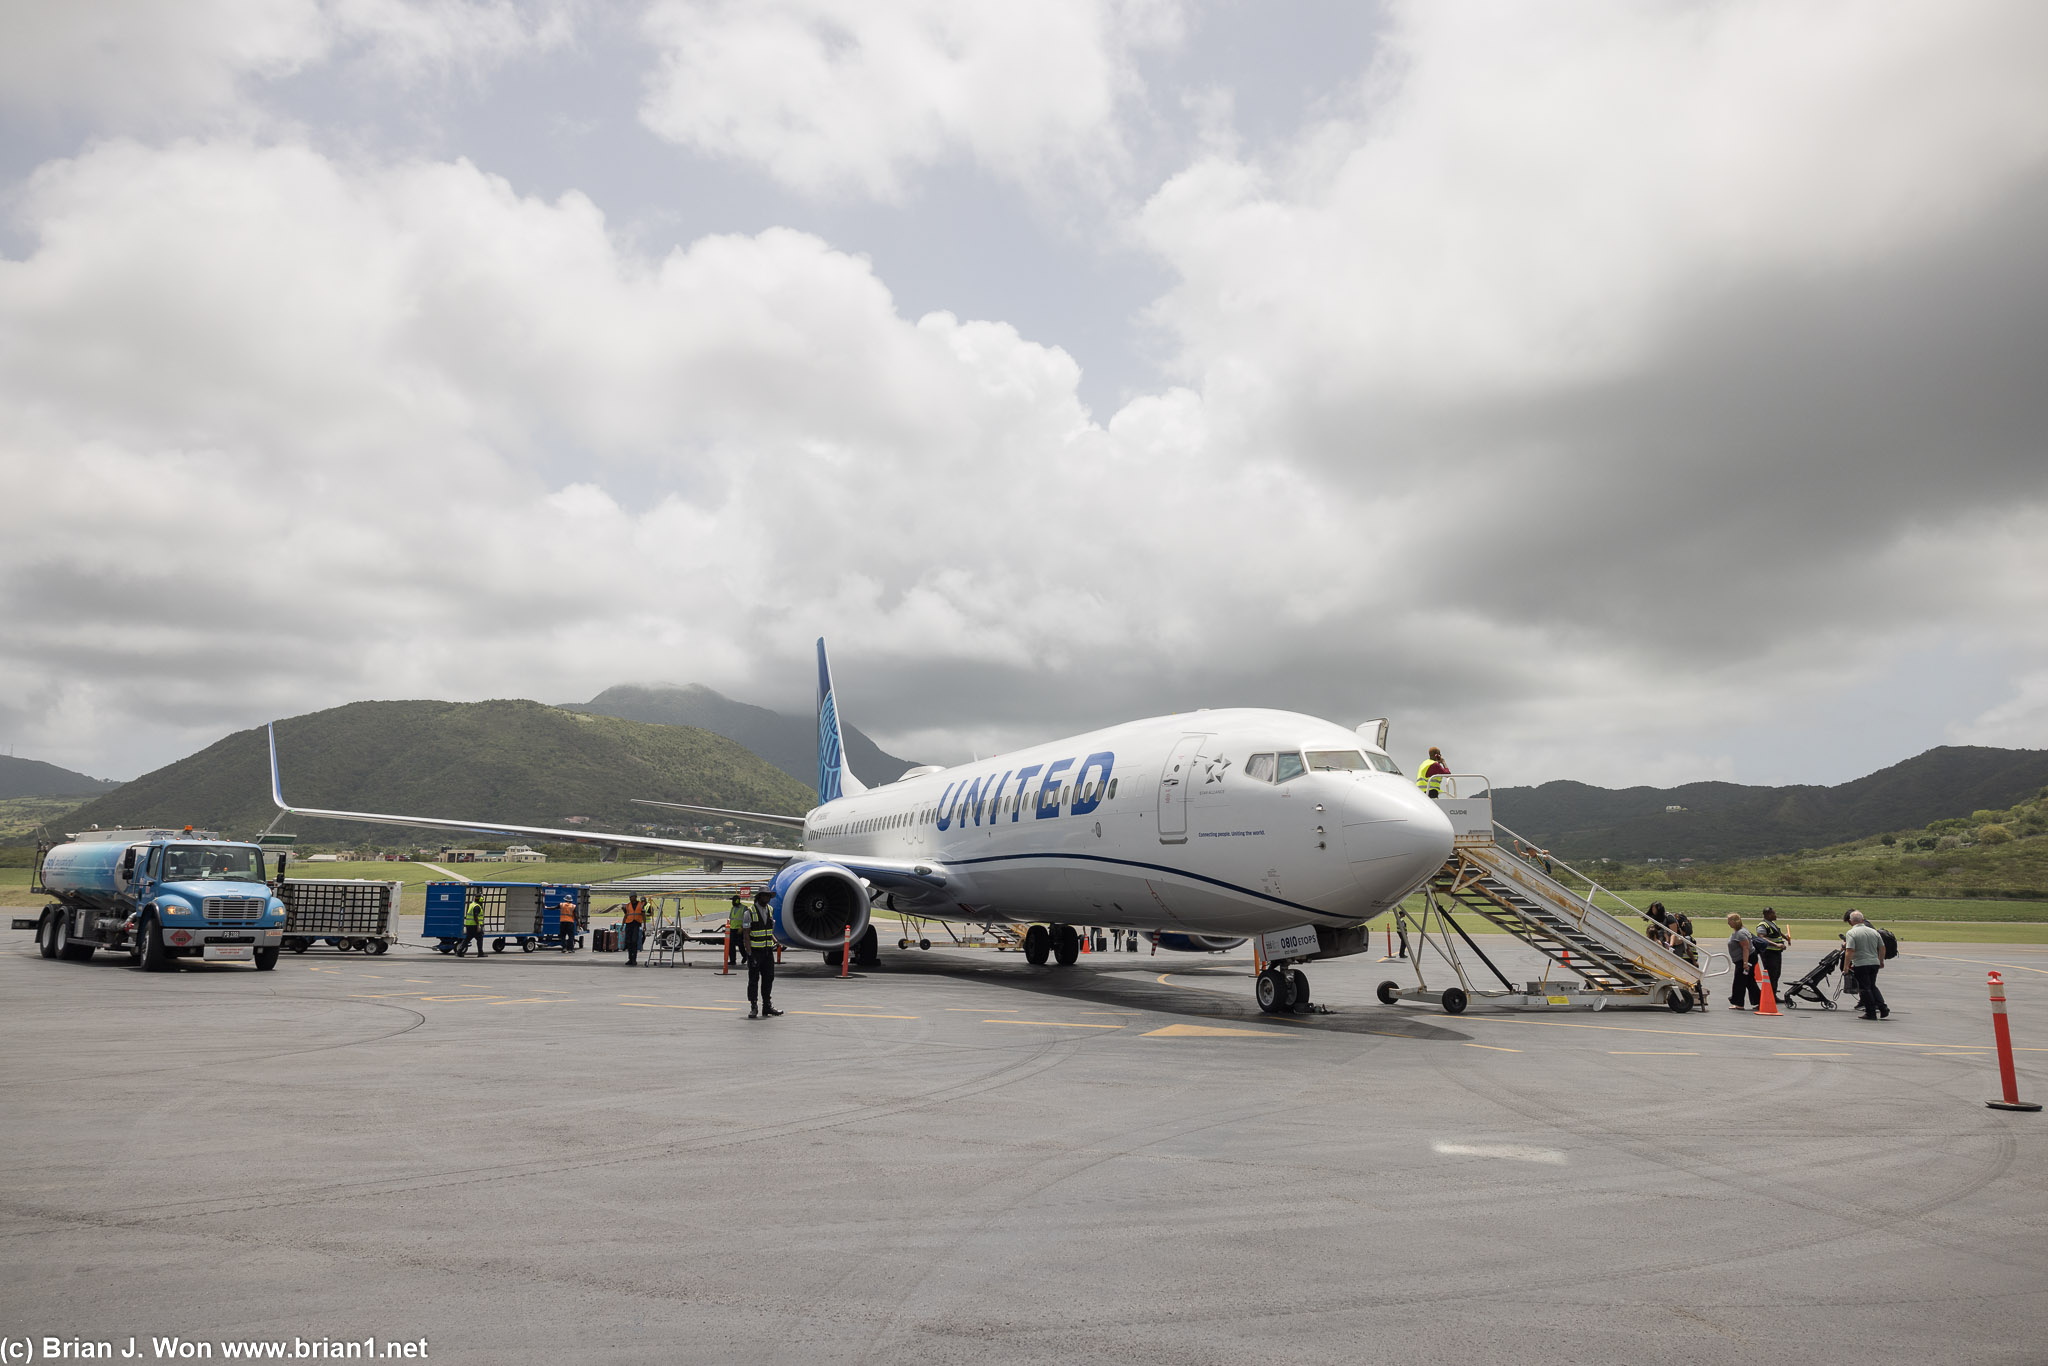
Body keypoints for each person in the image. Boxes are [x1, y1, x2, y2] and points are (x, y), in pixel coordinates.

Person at [1843, 910, 1889, 1020]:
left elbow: (1850, 951)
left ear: (1850, 921)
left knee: (1864, 988)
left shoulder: (1851, 933)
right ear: (1862, 920)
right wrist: (1881, 960)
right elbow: (1882, 947)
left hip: (1861, 963)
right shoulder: (1874, 932)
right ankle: (1883, 1008)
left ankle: (1871, 1012)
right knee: (1872, 986)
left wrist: (1846, 966)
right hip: (1874, 963)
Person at [745, 890, 782, 1019]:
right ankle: (754, 1006)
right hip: (755, 952)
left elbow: (767, 929)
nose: (767, 898)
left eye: (768, 896)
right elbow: (746, 934)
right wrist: (749, 953)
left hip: (767, 952)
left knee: (769, 978)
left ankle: (766, 1005)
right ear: (759, 896)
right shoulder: (749, 912)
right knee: (754, 980)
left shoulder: (770, 910)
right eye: (764, 895)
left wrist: (775, 941)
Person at [1753, 907, 1790, 995]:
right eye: (1773, 913)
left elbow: (1777, 932)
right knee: (1771, 974)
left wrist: (1786, 938)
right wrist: (1776, 945)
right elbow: (1761, 937)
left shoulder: (1772, 924)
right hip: (1769, 953)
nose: (1775, 915)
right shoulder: (1762, 925)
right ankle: (1767, 995)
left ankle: (1773, 995)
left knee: (1776, 974)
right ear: (1768, 915)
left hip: (1776, 952)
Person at [1725, 913, 1758, 1010]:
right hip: (1744, 959)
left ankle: (1738, 1003)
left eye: (1729, 921)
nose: (1728, 923)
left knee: (1739, 981)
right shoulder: (1741, 931)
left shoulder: (1740, 933)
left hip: (1745, 959)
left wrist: (1745, 963)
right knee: (1749, 981)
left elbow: (1746, 948)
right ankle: (1759, 1000)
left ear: (1734, 922)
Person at [460, 893, 487, 959]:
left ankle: (459, 951)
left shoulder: (472, 904)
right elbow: (475, 917)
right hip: (474, 925)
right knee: (480, 938)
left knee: (467, 939)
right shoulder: (477, 906)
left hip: (469, 925)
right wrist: (478, 925)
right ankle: (480, 953)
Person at [620, 895, 645, 966]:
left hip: (636, 924)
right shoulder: (628, 905)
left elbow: (643, 915)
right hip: (629, 924)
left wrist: (644, 925)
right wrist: (622, 925)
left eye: (632, 897)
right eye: (630, 897)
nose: (630, 898)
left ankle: (634, 959)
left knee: (634, 941)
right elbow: (626, 915)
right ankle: (630, 959)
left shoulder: (640, 905)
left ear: (635, 897)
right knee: (628, 942)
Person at [726, 893, 747, 967]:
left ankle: (745, 956)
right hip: (732, 929)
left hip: (740, 929)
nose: (732, 902)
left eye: (733, 901)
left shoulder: (744, 908)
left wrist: (742, 927)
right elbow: (731, 918)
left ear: (737, 901)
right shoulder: (733, 908)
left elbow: (746, 919)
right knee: (731, 945)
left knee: (740, 945)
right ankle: (732, 960)